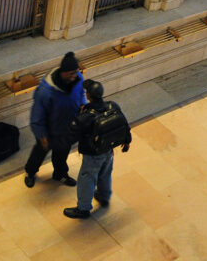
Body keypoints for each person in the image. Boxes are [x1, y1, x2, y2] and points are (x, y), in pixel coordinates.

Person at [62, 80, 131, 219]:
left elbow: (72, 135)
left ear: (88, 95)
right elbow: (124, 123)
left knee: (87, 178)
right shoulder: (112, 105)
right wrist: (127, 141)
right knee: (105, 173)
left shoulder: (87, 116)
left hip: (93, 153)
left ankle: (83, 209)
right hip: (109, 149)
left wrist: (78, 117)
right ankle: (104, 197)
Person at [25, 51, 87, 188]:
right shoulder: (45, 91)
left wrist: (83, 104)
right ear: (63, 72)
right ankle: (30, 173)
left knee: (62, 154)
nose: (74, 76)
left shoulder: (78, 79)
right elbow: (37, 116)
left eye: (76, 72)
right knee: (39, 154)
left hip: (67, 128)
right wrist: (41, 136)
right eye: (71, 73)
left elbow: (82, 93)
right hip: (48, 131)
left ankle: (60, 174)